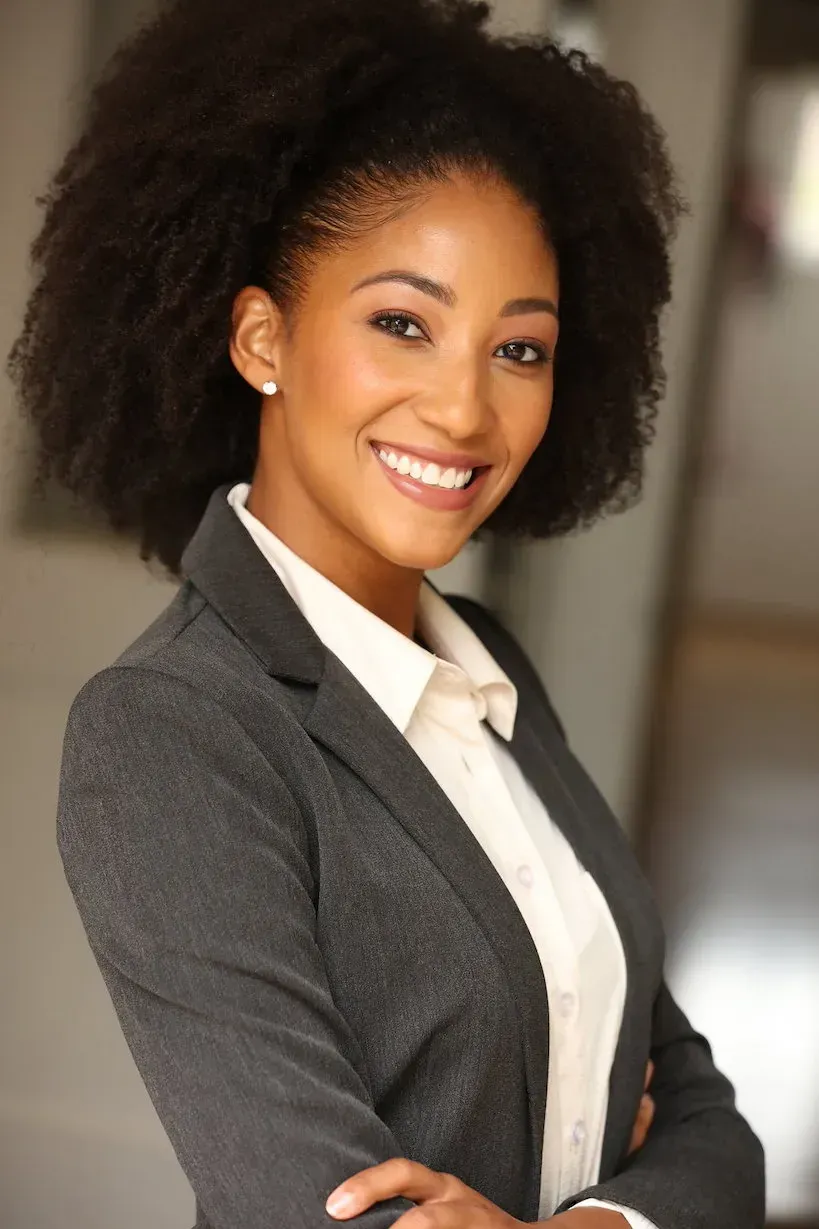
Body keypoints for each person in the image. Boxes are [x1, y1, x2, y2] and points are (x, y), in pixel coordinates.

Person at [8, 1, 765, 1227]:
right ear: (263, 335)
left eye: (520, 351)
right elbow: (320, 1205)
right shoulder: (173, 732)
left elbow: (711, 1123)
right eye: (402, 324)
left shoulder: (491, 676)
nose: (465, 411)